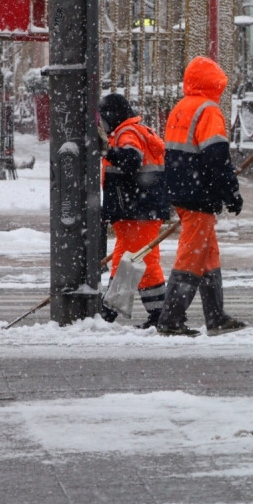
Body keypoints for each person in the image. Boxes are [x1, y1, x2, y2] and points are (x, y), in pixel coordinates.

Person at [157, 56, 246, 337]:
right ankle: (170, 319)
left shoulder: (180, 108)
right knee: (192, 255)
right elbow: (217, 158)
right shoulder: (209, 110)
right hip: (199, 195)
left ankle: (216, 317)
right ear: (215, 84)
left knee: (207, 253)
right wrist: (231, 193)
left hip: (182, 193)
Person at [97, 93, 171, 329]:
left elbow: (131, 159)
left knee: (144, 261)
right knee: (122, 262)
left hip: (138, 210)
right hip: (134, 211)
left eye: (103, 117)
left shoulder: (127, 133)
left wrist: (107, 151)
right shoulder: (132, 131)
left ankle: (161, 314)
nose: (101, 123)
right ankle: (108, 312)